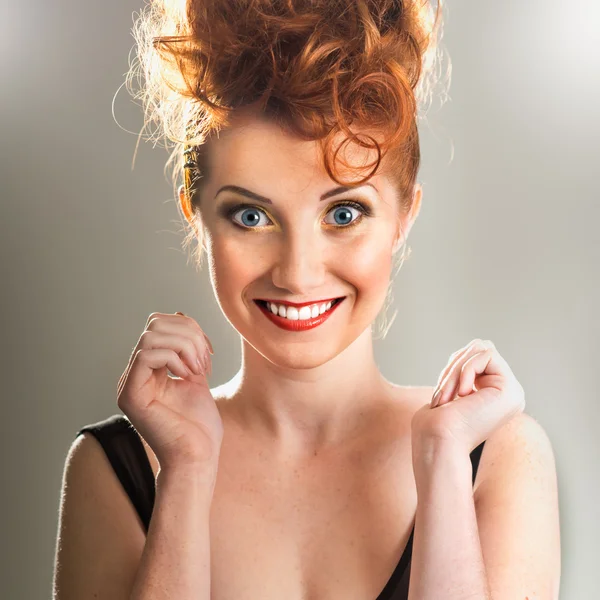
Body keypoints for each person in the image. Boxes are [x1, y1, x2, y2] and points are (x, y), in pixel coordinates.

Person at [52, 1, 561, 599]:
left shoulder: (492, 456)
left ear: (403, 219)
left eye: (344, 213)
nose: (297, 273)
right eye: (251, 215)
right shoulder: (115, 468)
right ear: (197, 216)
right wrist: (185, 476)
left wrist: (444, 469)